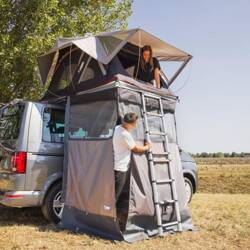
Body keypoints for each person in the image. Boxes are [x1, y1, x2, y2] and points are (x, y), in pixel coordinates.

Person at [113, 112, 151, 202]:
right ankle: (108, 214)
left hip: (115, 165)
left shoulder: (117, 128)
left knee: (115, 192)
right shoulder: (125, 135)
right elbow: (135, 149)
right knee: (115, 194)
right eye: (134, 124)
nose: (134, 126)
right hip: (120, 168)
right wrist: (147, 147)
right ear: (129, 124)